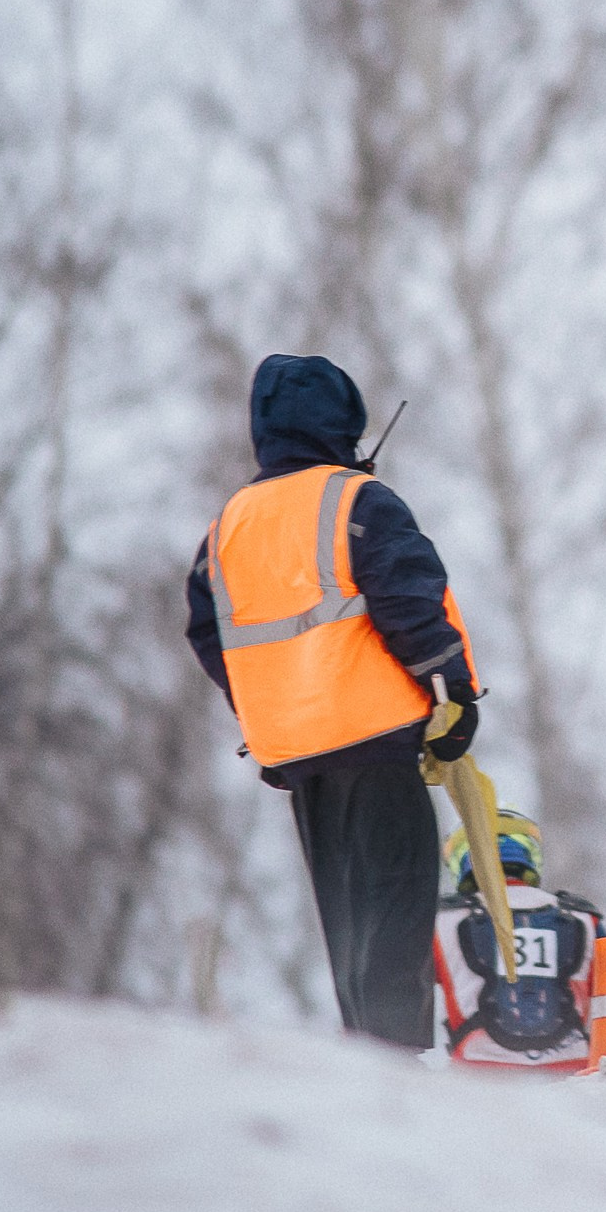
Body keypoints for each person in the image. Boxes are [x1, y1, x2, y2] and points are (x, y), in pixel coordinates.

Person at [185, 353, 484, 1049]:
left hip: (298, 755)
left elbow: (208, 630)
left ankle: (363, 1068)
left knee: (346, 923)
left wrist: (265, 706)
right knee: (397, 914)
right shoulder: (358, 501)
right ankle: (396, 1072)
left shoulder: (227, 525)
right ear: (346, 421)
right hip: (379, 740)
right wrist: (453, 696)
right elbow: (410, 601)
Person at [432, 807, 606, 1070]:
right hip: (571, 1070)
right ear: (529, 857)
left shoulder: (442, 921)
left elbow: (398, 992)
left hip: (480, 1072)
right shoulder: (581, 917)